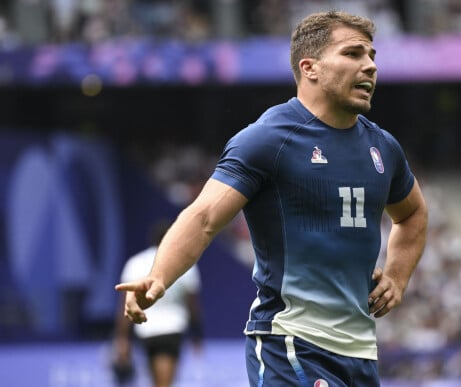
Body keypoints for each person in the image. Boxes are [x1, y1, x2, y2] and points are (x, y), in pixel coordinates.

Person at [116, 10, 428, 386]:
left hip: (360, 354)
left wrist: (396, 276)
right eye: (353, 54)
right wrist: (159, 276)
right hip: (292, 344)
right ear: (309, 67)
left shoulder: (383, 148)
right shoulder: (268, 139)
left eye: (372, 57)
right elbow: (203, 217)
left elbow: (411, 216)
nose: (370, 67)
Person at [112, 221, 203, 387]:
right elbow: (192, 305)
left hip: (145, 331)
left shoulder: (135, 263)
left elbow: (125, 306)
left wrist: (122, 339)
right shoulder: (186, 264)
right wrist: (197, 334)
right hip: (172, 330)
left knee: (157, 382)